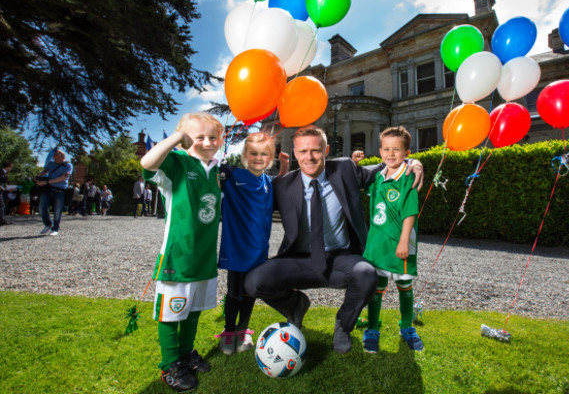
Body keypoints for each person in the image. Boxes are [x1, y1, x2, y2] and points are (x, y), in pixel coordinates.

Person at [244, 125, 424, 354]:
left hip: (341, 259)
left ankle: (343, 325)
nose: (309, 157)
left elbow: (386, 165)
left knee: (367, 274)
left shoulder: (345, 169)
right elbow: (252, 200)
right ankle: (295, 306)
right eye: (303, 151)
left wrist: (413, 162)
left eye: (316, 150)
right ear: (296, 152)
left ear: (326, 150)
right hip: (300, 260)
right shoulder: (282, 185)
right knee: (253, 281)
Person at [140, 112, 224, 392]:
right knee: (170, 312)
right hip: (178, 256)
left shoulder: (216, 169)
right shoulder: (176, 163)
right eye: (198, 137)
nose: (207, 141)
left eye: (213, 136)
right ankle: (169, 364)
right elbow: (147, 163)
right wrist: (176, 138)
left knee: (194, 310)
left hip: (204, 257)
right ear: (186, 139)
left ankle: (186, 354)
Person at [215, 133, 289, 355]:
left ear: (270, 158)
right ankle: (229, 331)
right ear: (245, 156)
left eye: (264, 154)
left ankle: (243, 329)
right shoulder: (231, 175)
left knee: (250, 293)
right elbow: (211, 168)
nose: (258, 158)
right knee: (234, 292)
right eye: (253, 154)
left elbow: (281, 182)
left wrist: (284, 165)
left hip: (258, 252)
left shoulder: (268, 183)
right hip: (237, 249)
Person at [361, 126, 423, 353]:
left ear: (407, 152)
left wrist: (404, 240)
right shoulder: (377, 177)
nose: (391, 153)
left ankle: (406, 327)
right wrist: (356, 162)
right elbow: (354, 178)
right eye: (386, 149)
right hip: (377, 245)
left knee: (404, 286)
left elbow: (409, 212)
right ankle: (372, 328)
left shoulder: (408, 177)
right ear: (380, 151)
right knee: (375, 289)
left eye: (397, 149)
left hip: (400, 244)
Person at [35, 150, 73, 236]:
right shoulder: (51, 164)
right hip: (48, 189)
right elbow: (45, 171)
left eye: (57, 158)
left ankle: (55, 228)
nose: (55, 160)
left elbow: (64, 177)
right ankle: (48, 224)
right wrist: (39, 176)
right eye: (54, 158)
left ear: (63, 157)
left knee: (57, 211)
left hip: (60, 190)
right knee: (41, 208)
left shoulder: (67, 165)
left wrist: (48, 181)